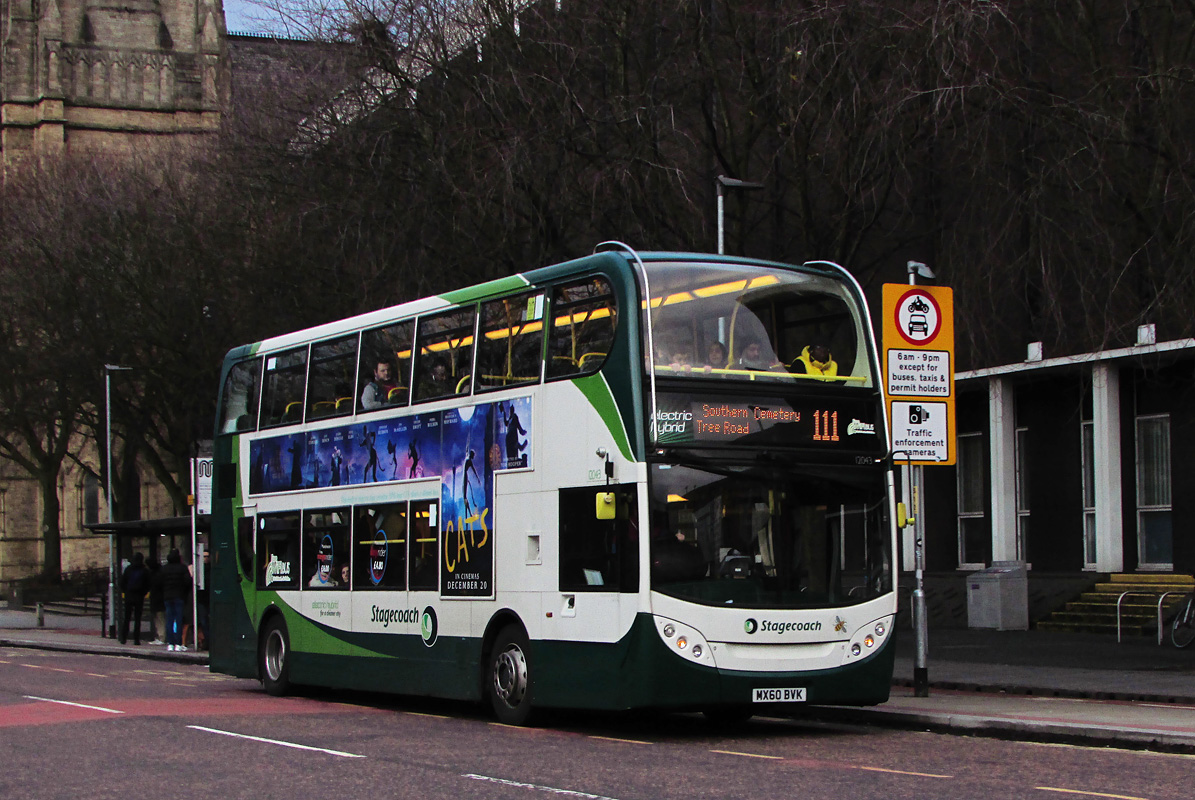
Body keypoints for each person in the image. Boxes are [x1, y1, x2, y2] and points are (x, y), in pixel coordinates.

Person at [160, 548, 193, 652]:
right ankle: (178, 643)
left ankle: (170, 643)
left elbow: (159, 582)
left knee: (169, 620)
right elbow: (188, 581)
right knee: (178, 620)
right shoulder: (182, 568)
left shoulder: (164, 568)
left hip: (167, 596)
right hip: (179, 596)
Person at [119, 552, 150, 645]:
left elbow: (122, 582)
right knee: (137, 618)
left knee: (127, 617)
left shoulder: (129, 569)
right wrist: (143, 593)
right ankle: (136, 639)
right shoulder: (144, 570)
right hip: (139, 596)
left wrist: (126, 591)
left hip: (129, 595)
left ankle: (123, 637)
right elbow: (148, 584)